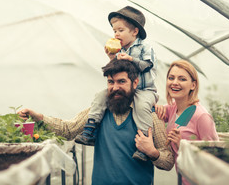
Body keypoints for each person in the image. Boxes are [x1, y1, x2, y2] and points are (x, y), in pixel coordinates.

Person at [18, 59, 174, 185]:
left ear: (135, 83)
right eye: (111, 82)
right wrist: (39, 117)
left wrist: (152, 152)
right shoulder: (98, 112)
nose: (115, 87)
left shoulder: (151, 117)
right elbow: (67, 129)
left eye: (121, 82)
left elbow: (168, 162)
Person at [75, 6, 158, 162]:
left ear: (135, 31)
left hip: (144, 90)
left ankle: (145, 145)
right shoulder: (120, 50)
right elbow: (119, 72)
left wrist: (131, 59)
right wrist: (113, 58)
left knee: (141, 107)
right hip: (127, 90)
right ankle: (90, 129)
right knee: (100, 96)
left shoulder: (145, 48)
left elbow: (147, 65)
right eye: (114, 31)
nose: (116, 34)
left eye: (121, 30)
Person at [151, 60, 219, 185]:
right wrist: (157, 107)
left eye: (182, 79)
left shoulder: (201, 116)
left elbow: (214, 158)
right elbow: (152, 111)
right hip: (182, 179)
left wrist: (181, 145)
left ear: (193, 85)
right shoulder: (173, 108)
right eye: (171, 78)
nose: (175, 82)